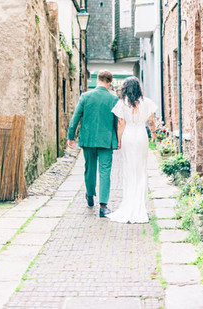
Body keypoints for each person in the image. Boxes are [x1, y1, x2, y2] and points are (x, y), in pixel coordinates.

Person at [67, 70, 118, 218]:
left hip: (88, 139)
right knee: (105, 171)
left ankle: (90, 195)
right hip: (106, 140)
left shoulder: (85, 96)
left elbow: (75, 117)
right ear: (109, 82)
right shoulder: (113, 99)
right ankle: (103, 206)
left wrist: (71, 136)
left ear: (97, 80)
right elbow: (116, 123)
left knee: (89, 168)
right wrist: (117, 140)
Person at [107, 76, 157, 224]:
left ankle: (129, 205)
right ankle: (140, 206)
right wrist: (153, 134)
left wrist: (119, 141)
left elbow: (121, 124)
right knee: (141, 170)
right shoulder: (147, 102)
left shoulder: (122, 103)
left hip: (128, 136)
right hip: (141, 135)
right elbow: (150, 121)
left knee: (129, 170)